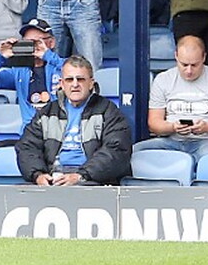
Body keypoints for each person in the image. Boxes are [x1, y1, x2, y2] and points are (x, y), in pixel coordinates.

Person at [15, 55, 131, 186]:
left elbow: (116, 150)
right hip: (53, 178)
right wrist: (38, 175)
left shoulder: (108, 111)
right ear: (62, 84)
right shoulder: (46, 113)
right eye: (69, 79)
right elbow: (27, 147)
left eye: (80, 79)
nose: (75, 84)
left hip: (91, 180)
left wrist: (81, 176)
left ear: (91, 83)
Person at [134, 35, 208, 163]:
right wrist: (172, 127)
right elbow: (154, 123)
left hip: (207, 140)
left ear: (204, 57)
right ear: (176, 56)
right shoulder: (163, 80)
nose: (189, 70)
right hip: (170, 140)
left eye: (194, 65)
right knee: (136, 151)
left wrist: (207, 127)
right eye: (184, 65)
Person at [0, 19, 66, 125]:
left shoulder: (60, 66)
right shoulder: (19, 71)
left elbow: (77, 72)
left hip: (58, 126)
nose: (33, 46)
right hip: (30, 129)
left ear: (51, 42)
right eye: (27, 42)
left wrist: (48, 56)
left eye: (37, 42)